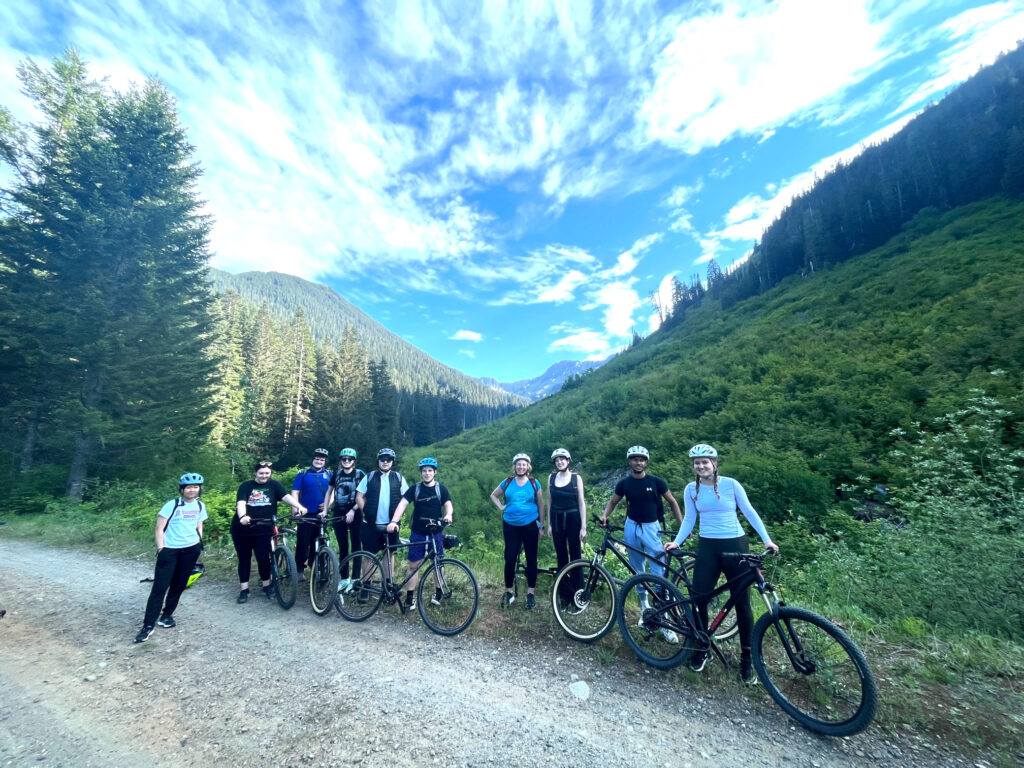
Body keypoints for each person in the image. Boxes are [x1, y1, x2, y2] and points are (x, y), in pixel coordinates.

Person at [665, 444, 779, 683]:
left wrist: (766, 539)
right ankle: (702, 646)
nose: (701, 466)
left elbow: (748, 511)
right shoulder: (690, 489)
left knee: (742, 602)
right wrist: (676, 541)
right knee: (699, 597)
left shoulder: (731, 484)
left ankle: (747, 657)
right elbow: (689, 519)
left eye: (705, 461)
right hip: (708, 546)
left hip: (735, 545)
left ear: (715, 463)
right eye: (697, 463)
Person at [599, 445, 683, 643]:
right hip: (631, 527)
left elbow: (672, 502)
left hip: (651, 528)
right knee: (637, 569)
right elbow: (613, 502)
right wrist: (604, 516)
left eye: (642, 459)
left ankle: (664, 615)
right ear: (630, 461)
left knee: (658, 571)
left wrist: (682, 528)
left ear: (646, 462)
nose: (638, 462)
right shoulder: (624, 483)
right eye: (635, 459)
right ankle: (645, 608)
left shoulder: (656, 482)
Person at [134, 473, 208, 643]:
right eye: (189, 487)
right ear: (182, 489)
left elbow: (199, 525)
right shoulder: (172, 505)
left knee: (179, 585)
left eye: (196, 487)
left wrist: (198, 544)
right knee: (160, 588)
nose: (192, 490)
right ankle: (148, 626)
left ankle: (167, 616)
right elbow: (159, 528)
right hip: (170, 550)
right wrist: (161, 548)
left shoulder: (200, 506)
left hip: (190, 550)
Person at [233, 461, 306, 603]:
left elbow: (286, 497)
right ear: (256, 473)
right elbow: (241, 503)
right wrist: (242, 516)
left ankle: (266, 586)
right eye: (261, 473)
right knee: (244, 559)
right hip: (243, 529)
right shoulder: (246, 486)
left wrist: (299, 507)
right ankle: (244, 590)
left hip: (264, 528)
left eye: (267, 473)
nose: (264, 475)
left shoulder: (274, 485)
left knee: (263, 559)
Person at [386, 457, 453, 611]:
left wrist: (448, 515)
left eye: (430, 471)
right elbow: (402, 504)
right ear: (421, 473)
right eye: (424, 471)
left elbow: (448, 504)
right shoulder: (415, 489)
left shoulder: (440, 489)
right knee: (414, 565)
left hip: (436, 532)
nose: (427, 473)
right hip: (418, 532)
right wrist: (394, 522)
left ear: (435, 472)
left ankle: (438, 592)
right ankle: (410, 597)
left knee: (438, 563)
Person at [490, 453, 546, 610]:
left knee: (531, 559)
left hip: (530, 524)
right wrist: (501, 506)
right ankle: (508, 592)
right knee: (509, 558)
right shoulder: (507, 482)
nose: (521, 467)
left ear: (528, 466)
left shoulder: (535, 483)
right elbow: (494, 495)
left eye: (524, 464)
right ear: (514, 466)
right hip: (510, 525)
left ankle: (530, 594)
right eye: (518, 464)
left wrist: (541, 526)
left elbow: (541, 505)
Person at [355, 448, 409, 582]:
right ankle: (366, 585)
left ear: (392, 462)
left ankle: (388, 584)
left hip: (391, 524)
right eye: (382, 459)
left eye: (388, 460)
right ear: (378, 461)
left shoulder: (398, 478)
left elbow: (405, 500)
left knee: (389, 554)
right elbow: (359, 496)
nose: (385, 462)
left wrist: (396, 519)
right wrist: (366, 511)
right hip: (371, 524)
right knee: (368, 555)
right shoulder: (370, 476)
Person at [546, 448, 586, 609]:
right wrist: (549, 523)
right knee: (561, 557)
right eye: (557, 460)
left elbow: (581, 502)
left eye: (562, 459)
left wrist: (583, 526)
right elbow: (549, 501)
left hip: (573, 519)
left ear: (568, 461)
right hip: (556, 519)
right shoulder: (551, 477)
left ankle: (580, 595)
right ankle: (565, 595)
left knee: (576, 556)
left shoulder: (576, 478)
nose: (559, 462)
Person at [322, 447, 365, 590]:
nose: (346, 461)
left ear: (354, 461)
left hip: (355, 514)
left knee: (356, 547)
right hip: (338, 513)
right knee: (343, 546)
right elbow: (329, 493)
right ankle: (344, 577)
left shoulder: (360, 475)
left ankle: (355, 578)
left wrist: (353, 510)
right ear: (340, 461)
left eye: (349, 459)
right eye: (344, 459)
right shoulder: (337, 474)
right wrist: (325, 510)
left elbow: (364, 496)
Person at [292, 448, 333, 580]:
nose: (319, 461)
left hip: (321, 514)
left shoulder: (330, 474)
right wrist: (295, 509)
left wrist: (328, 505)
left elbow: (334, 492)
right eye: (317, 458)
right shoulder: (303, 474)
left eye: (322, 459)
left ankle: (316, 568)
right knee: (303, 542)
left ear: (325, 461)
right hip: (306, 514)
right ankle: (299, 568)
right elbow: (295, 492)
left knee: (320, 542)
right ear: (312, 459)